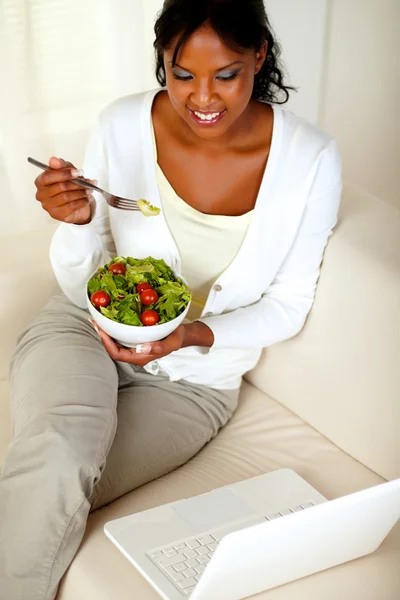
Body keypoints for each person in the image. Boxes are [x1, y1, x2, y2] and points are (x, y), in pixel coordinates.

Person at [0, 0, 342, 598]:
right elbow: (84, 275)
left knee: (60, 488)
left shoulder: (312, 160)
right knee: (56, 456)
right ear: (163, 61)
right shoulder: (121, 124)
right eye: (183, 74)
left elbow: (288, 304)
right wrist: (79, 221)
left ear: (259, 55)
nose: (202, 99)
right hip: (85, 327)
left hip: (193, 385)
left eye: (226, 74)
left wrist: (189, 336)